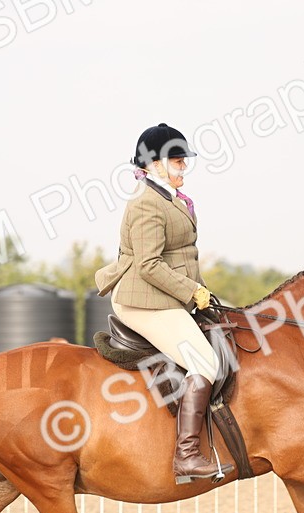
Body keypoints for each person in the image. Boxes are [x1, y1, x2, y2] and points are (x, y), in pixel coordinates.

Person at [94, 122, 234, 484]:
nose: (183, 166)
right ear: (154, 164)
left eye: (183, 160)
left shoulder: (173, 200)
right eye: (176, 160)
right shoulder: (146, 205)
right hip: (144, 301)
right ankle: (186, 456)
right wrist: (192, 293)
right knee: (205, 360)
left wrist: (204, 295)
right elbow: (149, 265)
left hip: (167, 295)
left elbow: (183, 259)